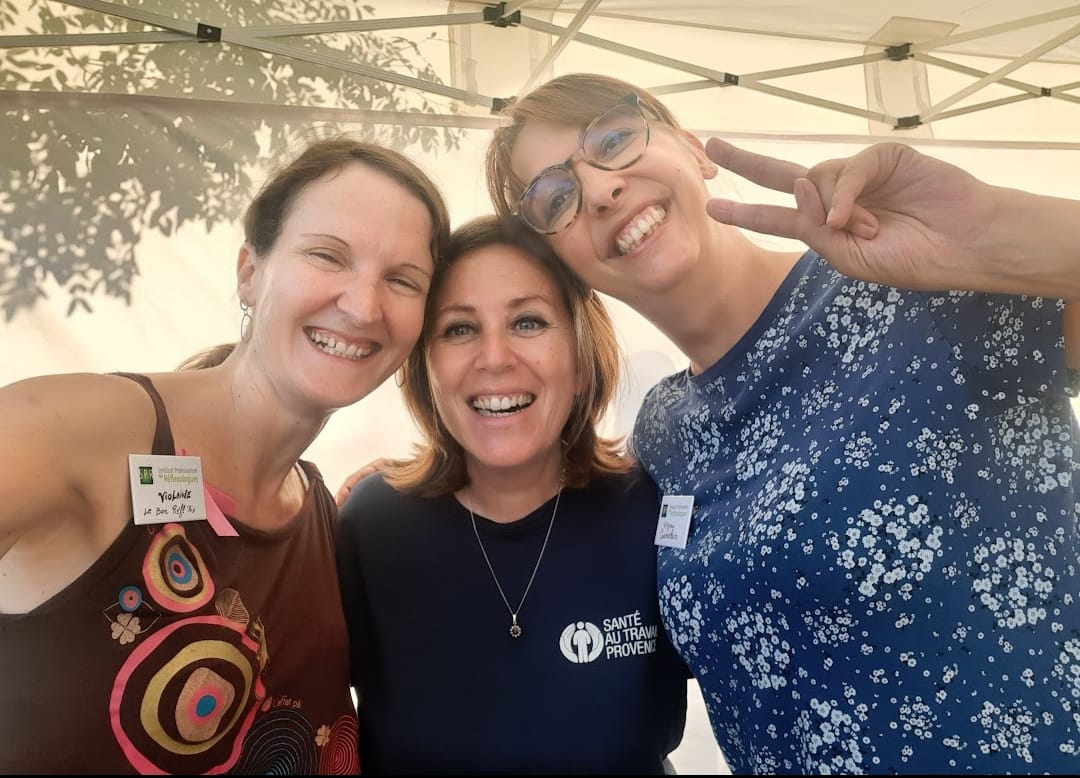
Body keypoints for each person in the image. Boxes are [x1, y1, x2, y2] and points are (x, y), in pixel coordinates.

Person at [485, 72, 1080, 773]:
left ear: (692, 149)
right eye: (556, 197)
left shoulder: (908, 285)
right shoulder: (664, 431)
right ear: (562, 262)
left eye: (613, 140)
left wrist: (994, 231)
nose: (600, 189)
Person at [0, 136, 450, 774]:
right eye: (327, 256)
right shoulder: (77, 430)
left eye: (402, 280)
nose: (362, 305)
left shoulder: (322, 510)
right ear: (250, 272)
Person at [334, 214, 689, 774]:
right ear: (426, 369)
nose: (495, 357)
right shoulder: (370, 526)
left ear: (581, 358)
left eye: (528, 322)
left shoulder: (655, 514)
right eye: (459, 329)